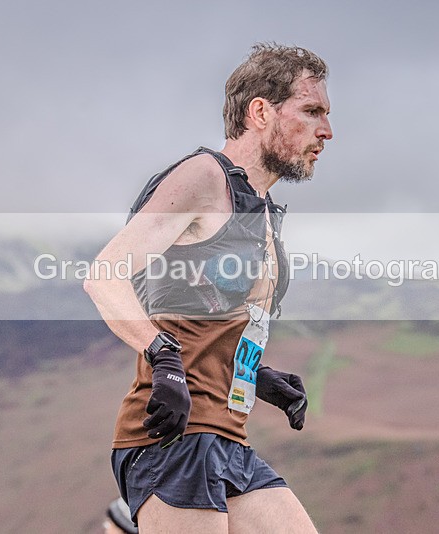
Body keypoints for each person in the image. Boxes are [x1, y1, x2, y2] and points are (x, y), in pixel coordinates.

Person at [84, 42, 332, 533]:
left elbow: (198, 308)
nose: (326, 131)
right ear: (260, 111)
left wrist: (255, 374)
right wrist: (164, 356)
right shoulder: (204, 177)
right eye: (312, 111)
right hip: (171, 440)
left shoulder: (258, 208)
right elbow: (104, 275)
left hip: (226, 436)